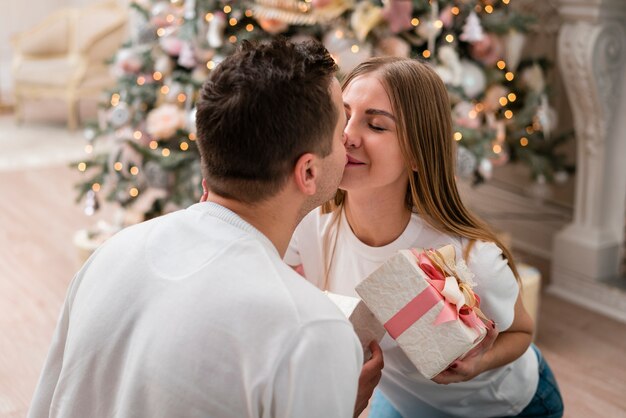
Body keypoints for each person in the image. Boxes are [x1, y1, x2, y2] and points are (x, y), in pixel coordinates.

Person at [28, 39, 364, 418]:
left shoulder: (113, 252)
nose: (350, 140)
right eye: (340, 133)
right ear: (307, 171)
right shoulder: (311, 332)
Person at [285, 56, 564, 418]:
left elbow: (522, 333)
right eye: (343, 115)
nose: (348, 136)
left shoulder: (470, 256)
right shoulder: (309, 224)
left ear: (417, 153)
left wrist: (480, 362)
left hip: (502, 406)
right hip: (402, 399)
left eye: (376, 126)